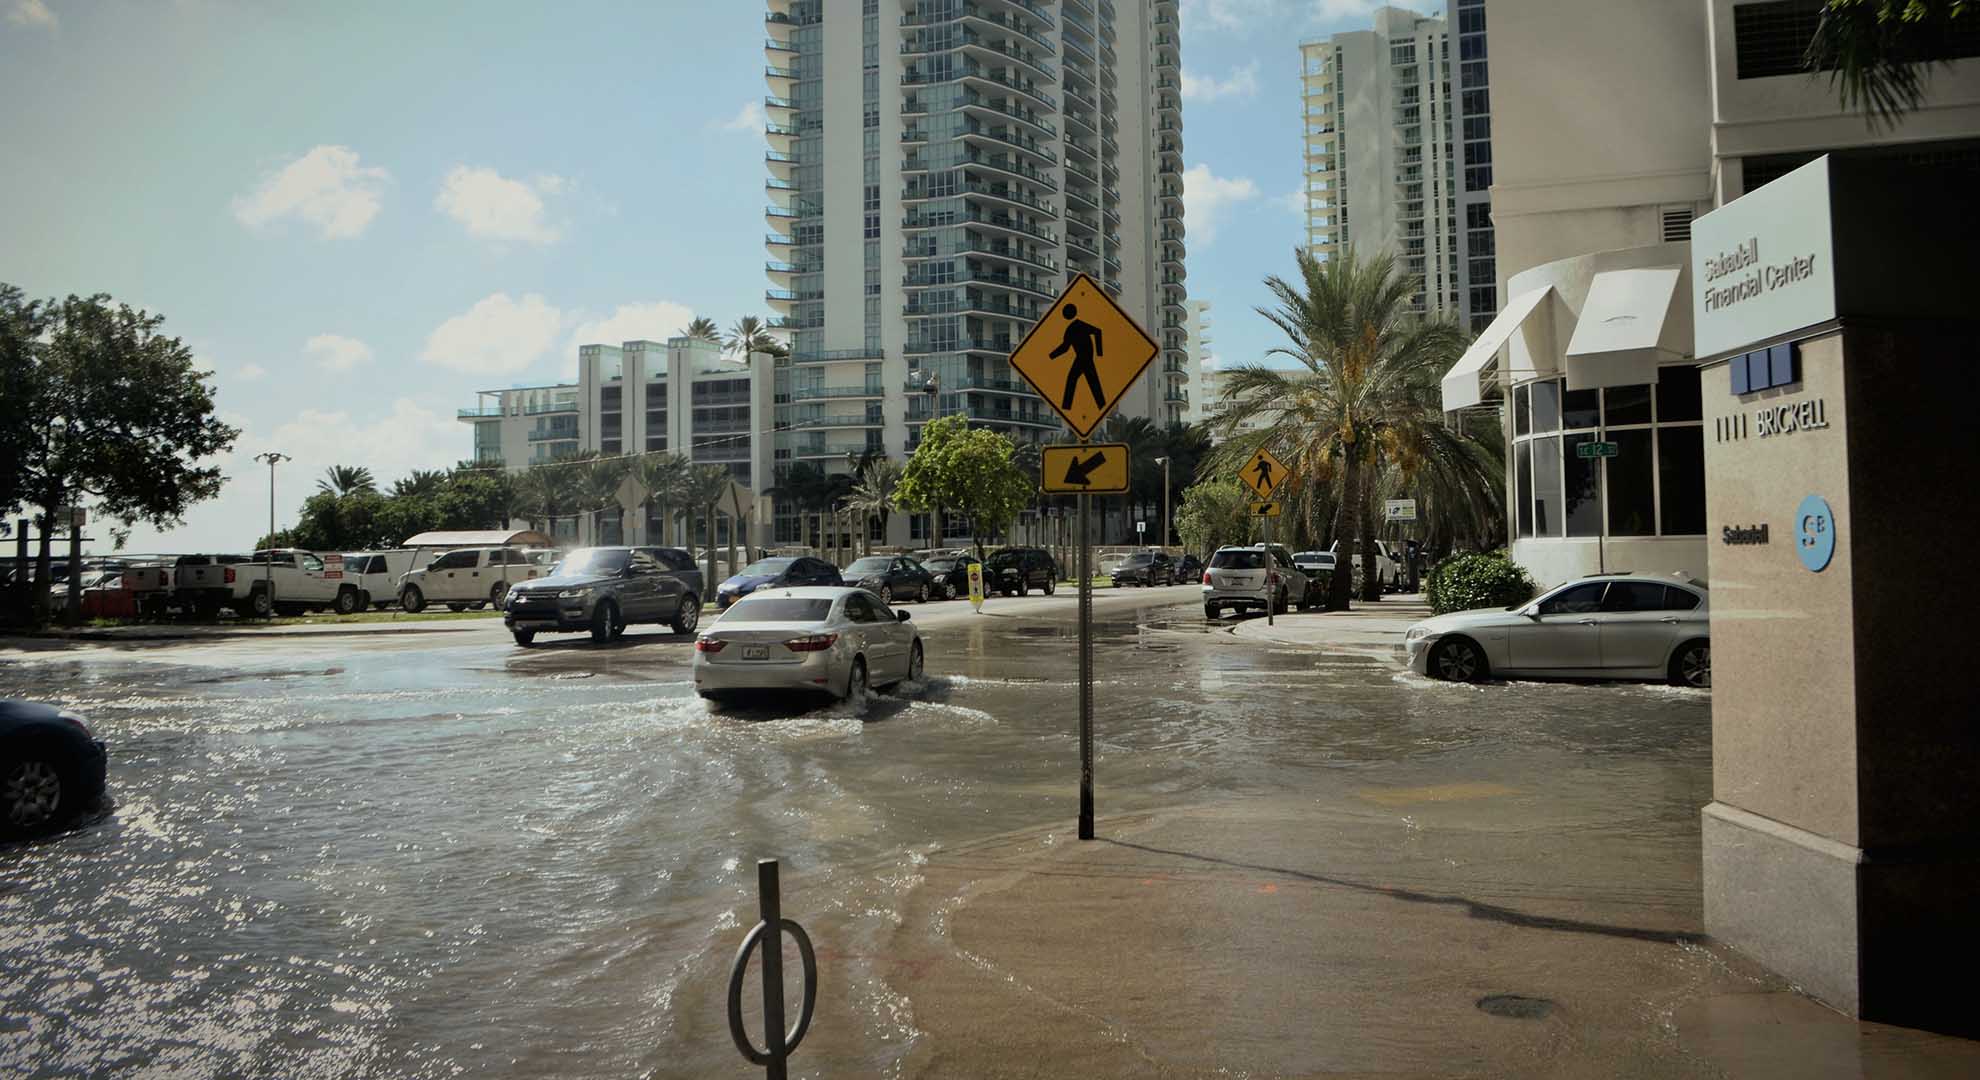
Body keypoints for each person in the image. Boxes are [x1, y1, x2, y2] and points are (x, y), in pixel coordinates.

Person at [1047, 304, 1104, 411]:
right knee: (1088, 381)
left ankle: (1067, 406)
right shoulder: (1070, 329)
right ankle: (1068, 407)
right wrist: (1051, 356)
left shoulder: (1077, 325)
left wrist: (1099, 353)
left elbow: (1098, 331)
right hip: (1082, 358)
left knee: (1076, 380)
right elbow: (1065, 347)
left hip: (1085, 358)